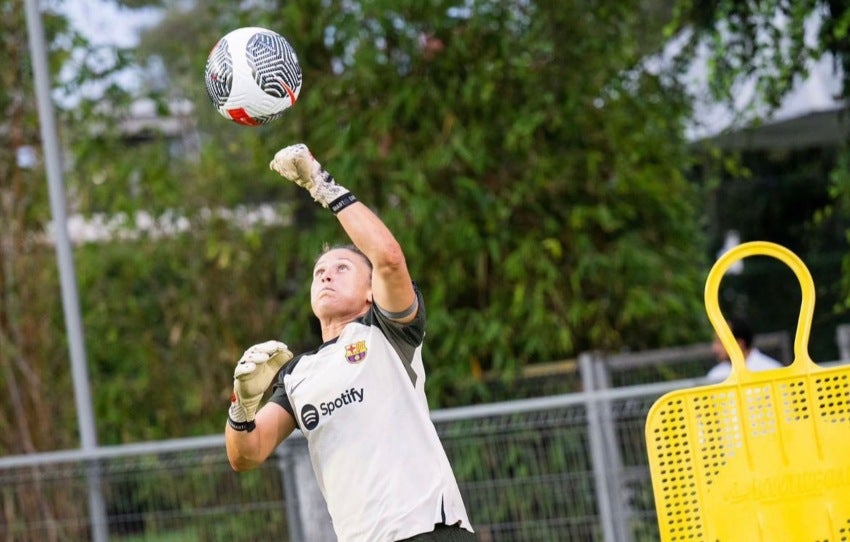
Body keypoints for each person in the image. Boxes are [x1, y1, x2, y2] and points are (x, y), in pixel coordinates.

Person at [224, 143, 475, 542]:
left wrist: (320, 184)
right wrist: (242, 405)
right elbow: (246, 454)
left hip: (429, 529)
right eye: (319, 271)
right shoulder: (297, 374)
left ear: (371, 291)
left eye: (342, 268)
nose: (326, 275)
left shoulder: (388, 332)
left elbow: (389, 258)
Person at [706, 316, 783, 382]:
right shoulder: (715, 376)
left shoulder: (772, 370)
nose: (714, 348)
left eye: (720, 342)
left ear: (739, 343)